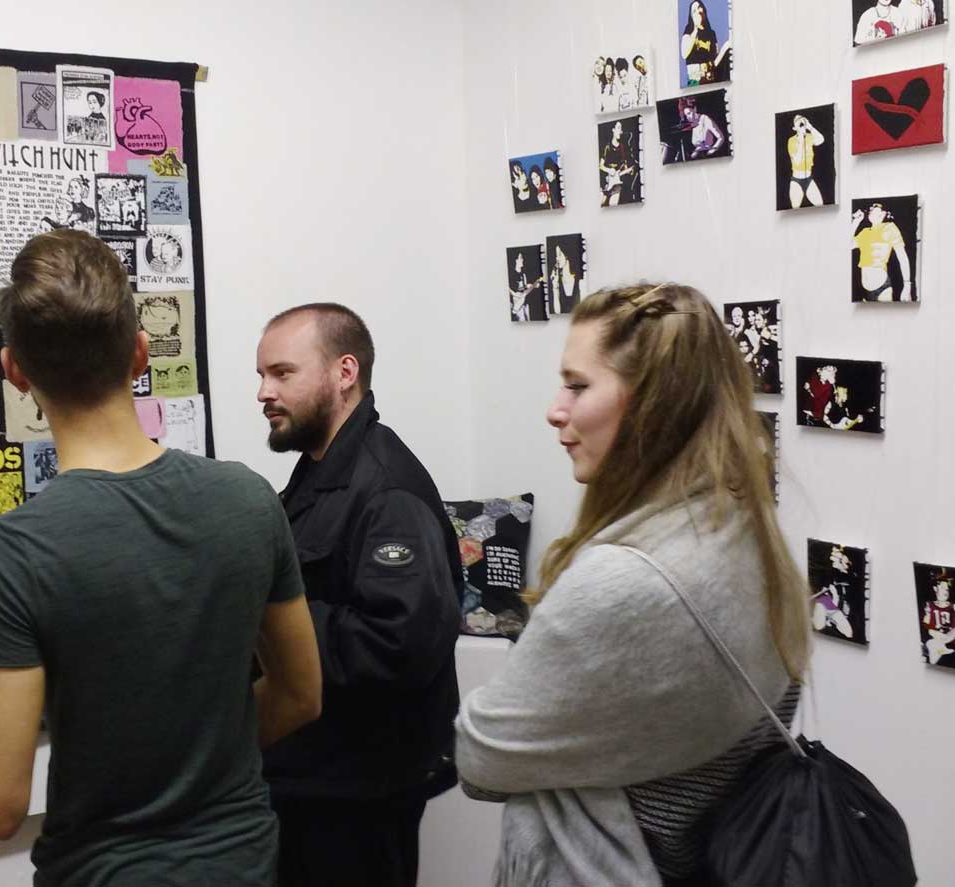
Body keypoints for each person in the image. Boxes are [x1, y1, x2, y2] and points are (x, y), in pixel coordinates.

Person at [0, 230, 323, 886]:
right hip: (244, 865)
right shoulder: (247, 499)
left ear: (14, 371)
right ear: (140, 353)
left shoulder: (13, 552)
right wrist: (202, 758)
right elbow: (300, 695)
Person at [455, 283, 808, 886]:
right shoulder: (743, 531)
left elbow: (479, 758)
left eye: (578, 385)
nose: (555, 410)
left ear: (654, 404)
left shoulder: (626, 581)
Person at [255, 303, 463, 887]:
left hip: (359, 794)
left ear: (344, 373)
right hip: (311, 779)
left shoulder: (387, 488)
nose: (264, 392)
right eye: (261, 376)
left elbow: (397, 643)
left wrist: (268, 622)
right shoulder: (318, 472)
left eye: (282, 373)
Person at [852, 203, 912, 301]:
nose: (871, 208)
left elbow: (902, 256)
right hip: (865, 290)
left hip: (882, 287)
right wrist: (856, 221)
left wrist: (907, 285)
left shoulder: (889, 228)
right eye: (871, 208)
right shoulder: (865, 232)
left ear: (883, 213)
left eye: (875, 207)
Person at [680, 0, 730, 85]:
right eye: (694, 11)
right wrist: (695, 29)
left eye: (699, 7)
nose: (697, 11)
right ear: (691, 16)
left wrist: (725, 47)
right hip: (695, 80)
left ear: (704, 10)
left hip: (710, 78)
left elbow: (715, 60)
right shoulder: (689, 31)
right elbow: (684, 54)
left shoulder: (711, 34)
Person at [786, 114, 826, 208]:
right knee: (795, 208)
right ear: (794, 128)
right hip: (796, 180)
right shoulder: (791, 141)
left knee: (820, 205)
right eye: (797, 121)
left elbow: (821, 140)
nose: (800, 121)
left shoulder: (809, 137)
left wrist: (810, 127)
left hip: (809, 179)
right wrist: (801, 140)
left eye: (801, 119)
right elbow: (797, 161)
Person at [599, 119, 636, 206]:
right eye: (618, 128)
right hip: (605, 184)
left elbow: (623, 168)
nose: (621, 131)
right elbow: (600, 166)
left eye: (621, 129)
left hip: (616, 185)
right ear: (613, 130)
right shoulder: (607, 146)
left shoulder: (622, 147)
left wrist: (628, 170)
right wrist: (609, 170)